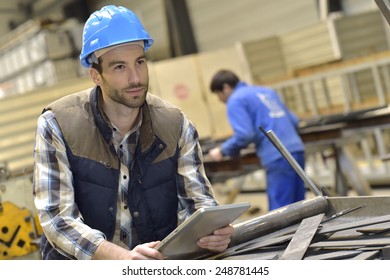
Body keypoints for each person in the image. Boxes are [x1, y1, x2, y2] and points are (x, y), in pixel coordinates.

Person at [32, 5, 233, 260]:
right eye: (119, 67)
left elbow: (199, 202)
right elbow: (57, 218)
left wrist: (212, 230)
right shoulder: (57, 125)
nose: (135, 77)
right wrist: (120, 259)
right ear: (96, 75)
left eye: (140, 62)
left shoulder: (175, 124)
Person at [208, 70, 306, 211]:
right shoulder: (267, 92)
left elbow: (245, 134)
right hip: (297, 149)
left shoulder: (235, 100)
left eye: (218, 94)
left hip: (277, 156)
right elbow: (294, 120)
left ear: (226, 88)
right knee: (302, 207)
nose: (219, 99)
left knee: (282, 212)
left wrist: (223, 150)